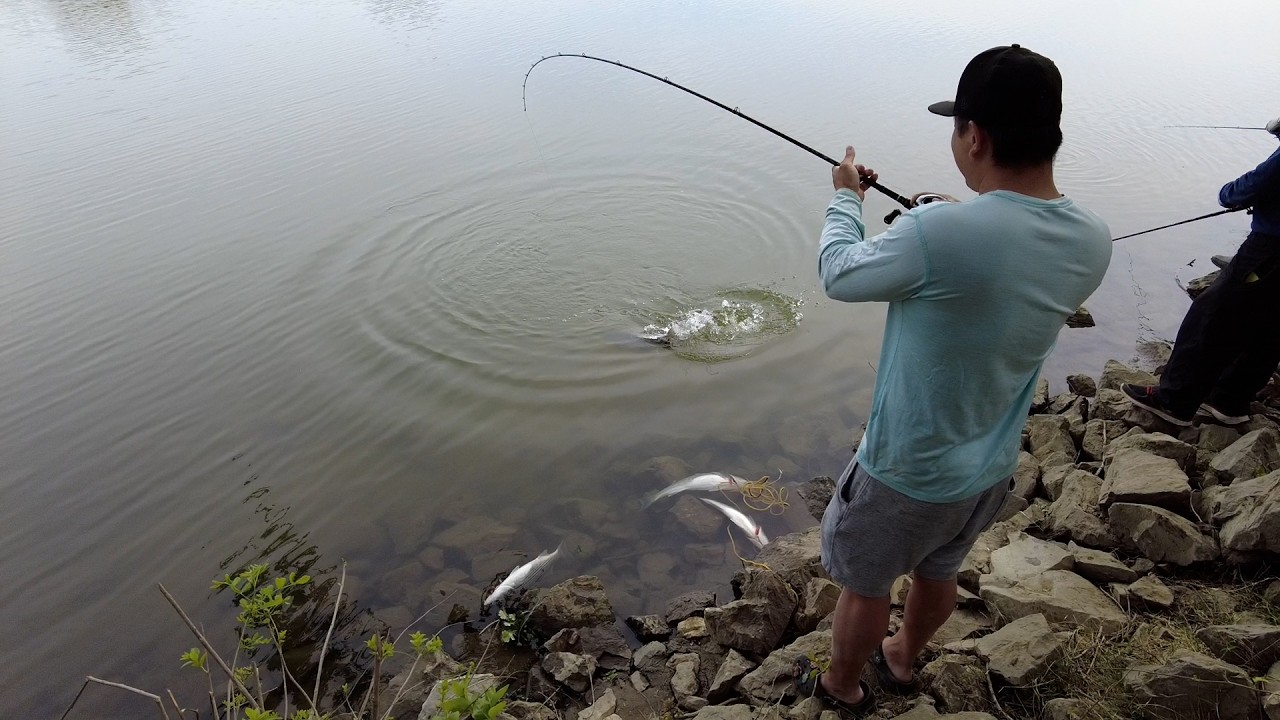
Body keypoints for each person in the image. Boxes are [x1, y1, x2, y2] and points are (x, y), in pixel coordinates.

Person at [801, 45, 1112, 713]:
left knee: (865, 583)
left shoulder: (938, 233)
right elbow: (998, 259)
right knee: (939, 569)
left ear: (974, 135)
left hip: (903, 469)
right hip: (990, 465)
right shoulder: (1093, 237)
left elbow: (839, 273)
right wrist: (942, 218)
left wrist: (845, 199)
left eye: (956, 125)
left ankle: (842, 685)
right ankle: (904, 660)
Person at [1122, 118, 1280, 426]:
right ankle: (1229, 401)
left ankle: (1173, 401)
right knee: (1269, 328)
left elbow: (1236, 192)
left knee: (1210, 316)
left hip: (1267, 252)